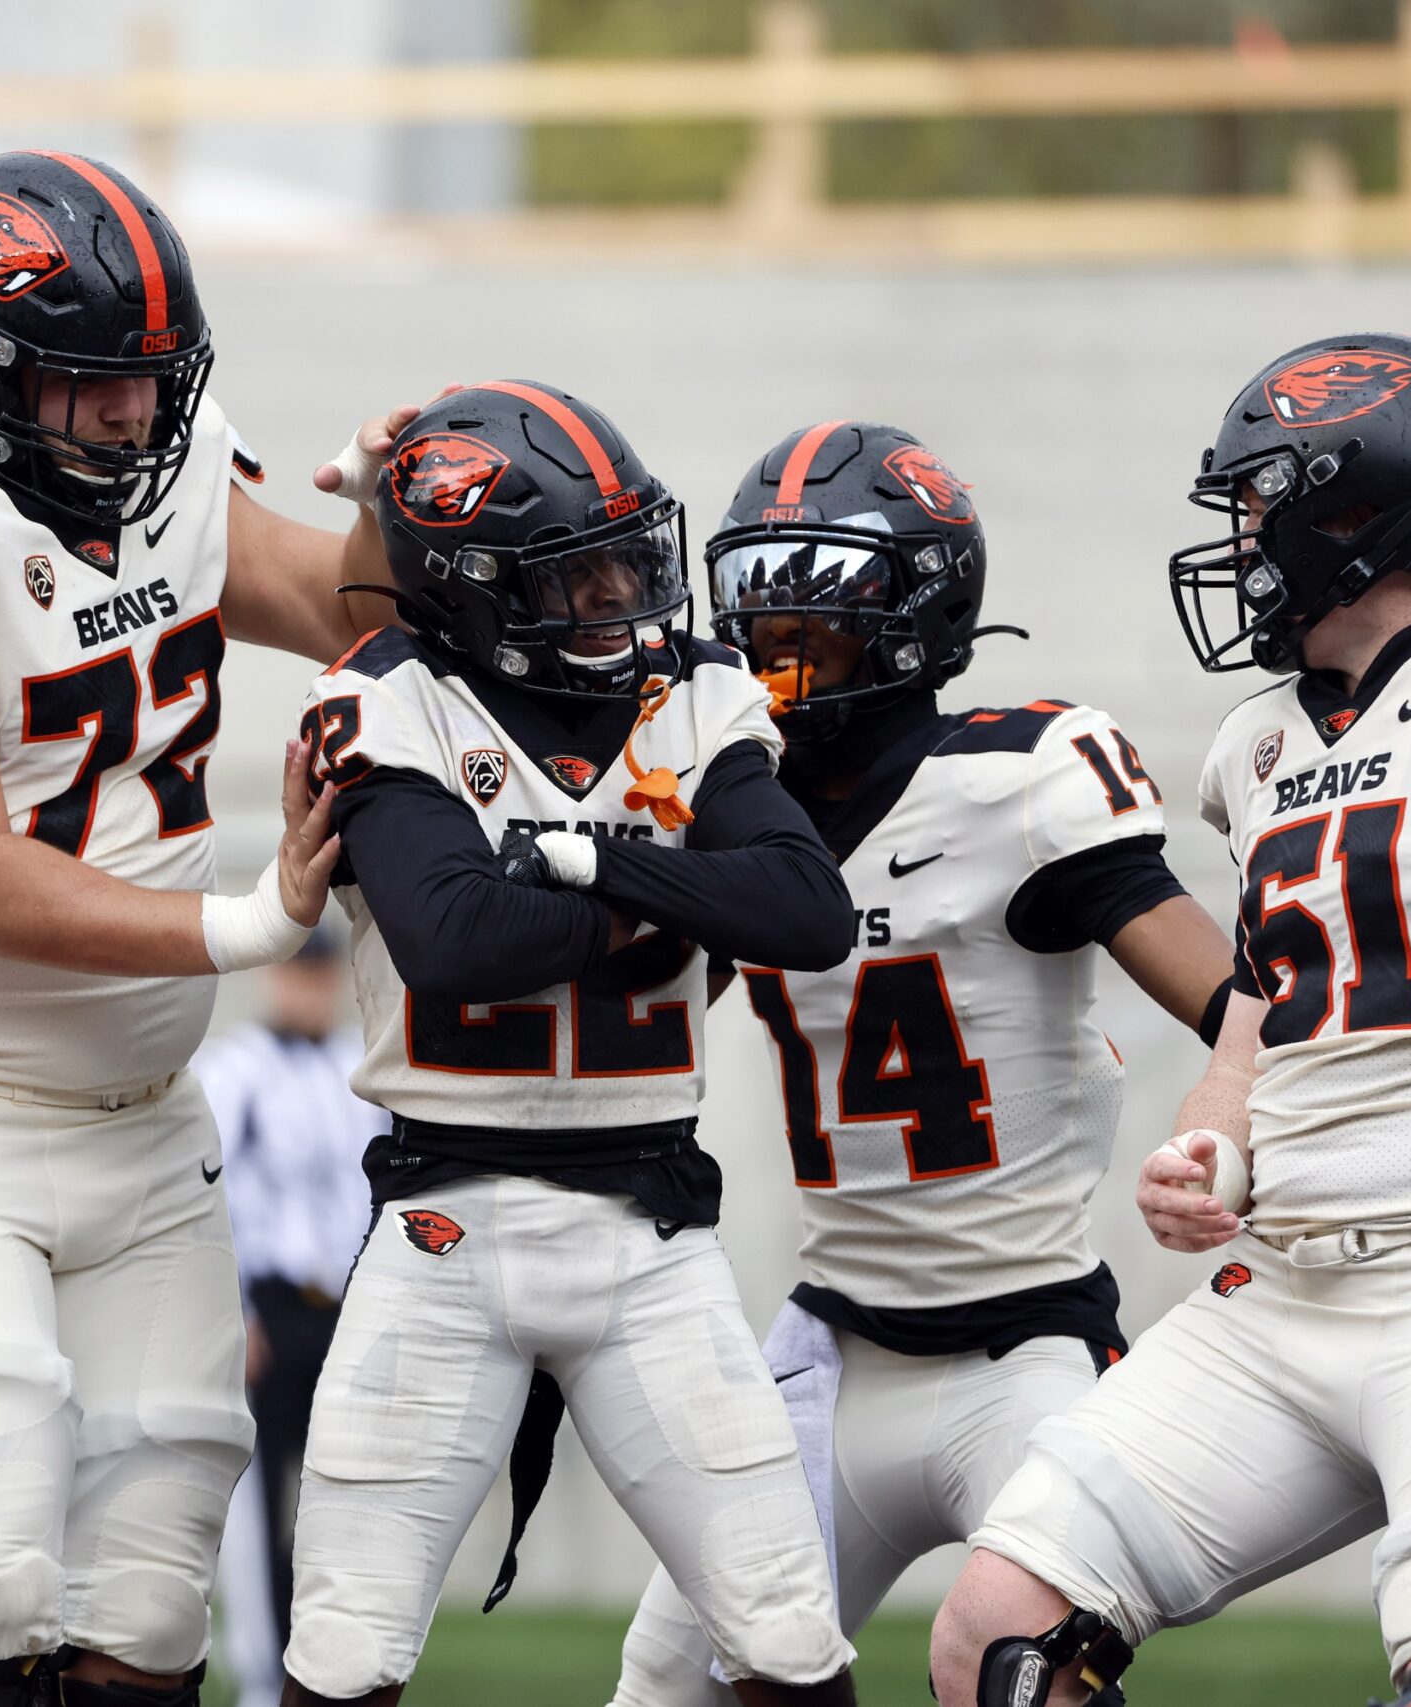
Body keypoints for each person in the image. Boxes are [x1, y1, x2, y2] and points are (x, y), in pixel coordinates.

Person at [0, 149, 417, 1707]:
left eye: (149, 379)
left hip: (143, 1119)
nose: (131, 414)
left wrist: (407, 520)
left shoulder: (174, 476)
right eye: (87, 382)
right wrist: (253, 918)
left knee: (153, 1603)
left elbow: (349, 611)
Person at [931, 334, 1411, 1707]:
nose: (1244, 542)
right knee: (994, 1638)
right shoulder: (1260, 745)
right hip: (1279, 1290)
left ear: (1359, 506)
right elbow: (1276, 1004)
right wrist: (1218, 1144)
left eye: (1261, 505)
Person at [607, 422, 1235, 1707]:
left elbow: (1237, 1002)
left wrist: (1227, 1130)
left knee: (1020, 1673)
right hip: (829, 1345)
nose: (777, 647)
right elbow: (632, 1025)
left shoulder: (1017, 780)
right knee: (666, 1684)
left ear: (914, 611)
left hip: (1025, 1353)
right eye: (759, 604)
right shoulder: (734, 806)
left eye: (817, 606)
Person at [283, 381, 859, 1707]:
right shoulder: (387, 693)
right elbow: (454, 938)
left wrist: (580, 857)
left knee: (785, 1635)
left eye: (625, 560)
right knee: (346, 1652)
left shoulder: (698, 686)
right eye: (573, 575)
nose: (619, 599)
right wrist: (664, 889)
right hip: (445, 1227)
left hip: (650, 1234)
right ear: (469, 584)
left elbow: (806, 909)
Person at [191, 934, 383, 1707]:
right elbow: (209, 1196)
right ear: (274, 975)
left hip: (344, 1308)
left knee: (344, 1497)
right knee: (256, 1496)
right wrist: (231, 1313)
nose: (310, 986)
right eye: (299, 970)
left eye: (321, 972)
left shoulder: (358, 1067)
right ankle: (265, 1673)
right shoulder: (234, 1067)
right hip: (269, 1304)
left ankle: (336, 1665)